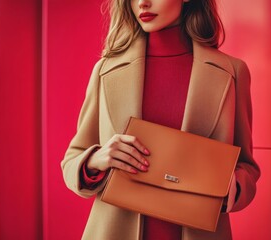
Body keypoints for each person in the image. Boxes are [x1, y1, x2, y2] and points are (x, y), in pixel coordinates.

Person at [61, 0, 260, 239]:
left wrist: (235, 184)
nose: (142, 3)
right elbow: (72, 160)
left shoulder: (232, 71)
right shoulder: (106, 69)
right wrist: (95, 159)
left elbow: (247, 166)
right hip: (114, 230)